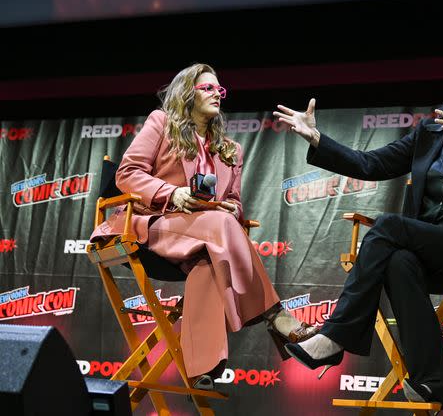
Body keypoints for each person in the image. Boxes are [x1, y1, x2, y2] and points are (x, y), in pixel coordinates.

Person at [273, 41, 443, 410]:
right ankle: (435, 383)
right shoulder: (430, 133)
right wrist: (317, 139)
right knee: (397, 261)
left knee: (390, 227)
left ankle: (336, 336)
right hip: (430, 251)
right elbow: (369, 165)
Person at [90, 63, 317, 391]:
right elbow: (127, 174)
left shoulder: (231, 151)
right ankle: (275, 316)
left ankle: (203, 368)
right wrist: (174, 193)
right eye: (208, 88)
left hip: (208, 234)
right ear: (187, 93)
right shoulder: (161, 124)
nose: (217, 95)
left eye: (219, 90)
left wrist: (228, 207)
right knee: (219, 228)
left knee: (209, 259)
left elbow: (237, 203)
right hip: (153, 225)